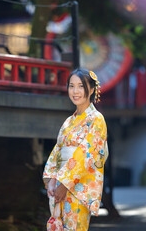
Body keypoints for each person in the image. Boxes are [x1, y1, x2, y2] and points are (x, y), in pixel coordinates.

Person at [43, 68, 108, 231]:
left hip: (78, 186)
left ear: (92, 89)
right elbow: (58, 150)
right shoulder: (68, 121)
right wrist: (51, 179)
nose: (75, 91)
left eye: (81, 86)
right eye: (71, 86)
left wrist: (65, 184)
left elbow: (87, 154)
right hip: (60, 183)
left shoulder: (96, 119)